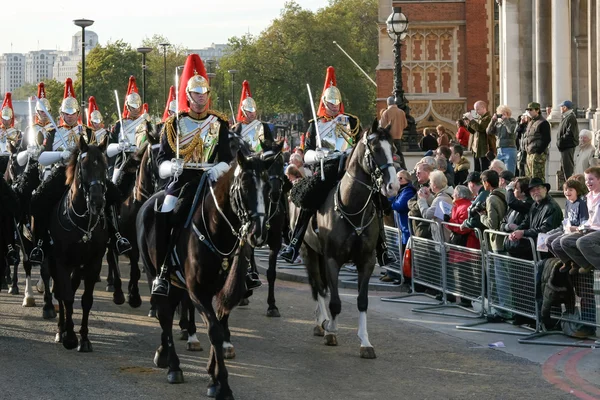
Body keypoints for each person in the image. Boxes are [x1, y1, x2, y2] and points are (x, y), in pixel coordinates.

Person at [281, 66, 400, 269]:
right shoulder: (315, 124)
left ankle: (382, 248)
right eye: (331, 103)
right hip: (326, 168)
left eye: (337, 103)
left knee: (377, 198)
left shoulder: (351, 121)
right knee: (311, 195)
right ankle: (295, 242)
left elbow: (360, 146)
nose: (335, 107)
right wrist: (318, 154)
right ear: (324, 103)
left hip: (350, 167)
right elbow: (306, 152)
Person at [152, 54, 234, 296]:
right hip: (183, 180)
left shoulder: (219, 123)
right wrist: (170, 167)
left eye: (204, 94)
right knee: (165, 211)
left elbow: (227, 156)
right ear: (187, 96)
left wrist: (220, 167)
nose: (200, 98)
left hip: (212, 180)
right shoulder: (173, 123)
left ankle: (245, 270)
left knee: (237, 214)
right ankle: (163, 270)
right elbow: (160, 161)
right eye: (196, 94)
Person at [29, 78, 129, 264]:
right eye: (66, 114)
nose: (70, 117)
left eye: (73, 113)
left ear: (77, 113)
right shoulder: (52, 132)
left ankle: (116, 235)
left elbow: (99, 153)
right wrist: (61, 156)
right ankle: (40, 243)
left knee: (114, 195)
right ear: (61, 114)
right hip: (62, 174)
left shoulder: (89, 132)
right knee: (39, 200)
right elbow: (41, 158)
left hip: (87, 174)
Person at [553, 167, 600, 274]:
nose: (588, 182)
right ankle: (586, 264)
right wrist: (580, 228)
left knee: (583, 242)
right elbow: (591, 220)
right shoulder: (588, 197)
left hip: (597, 231)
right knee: (564, 241)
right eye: (587, 180)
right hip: (591, 229)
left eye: (591, 179)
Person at [479, 170, 512, 318]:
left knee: (501, 279)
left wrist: (482, 216)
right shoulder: (505, 193)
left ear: (486, 183)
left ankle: (504, 311)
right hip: (506, 241)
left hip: (498, 243)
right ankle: (505, 309)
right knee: (506, 277)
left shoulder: (491, 198)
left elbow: (492, 223)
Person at [507, 178, 563, 260]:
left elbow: (546, 229)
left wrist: (523, 232)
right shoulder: (535, 205)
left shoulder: (551, 207)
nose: (536, 192)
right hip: (536, 249)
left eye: (538, 189)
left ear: (545, 189)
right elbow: (526, 222)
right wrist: (515, 233)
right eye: (532, 190)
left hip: (545, 251)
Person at [110, 76, 152, 184]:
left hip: (142, 159)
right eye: (133, 107)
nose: (136, 109)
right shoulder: (120, 125)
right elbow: (109, 150)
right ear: (127, 107)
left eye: (138, 106)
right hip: (124, 160)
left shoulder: (146, 122)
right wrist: (119, 146)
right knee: (114, 184)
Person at [546, 178, 588, 274]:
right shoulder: (567, 202)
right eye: (566, 190)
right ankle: (566, 261)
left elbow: (584, 222)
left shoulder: (581, 203)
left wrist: (576, 229)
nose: (567, 192)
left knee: (559, 242)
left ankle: (577, 262)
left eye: (570, 190)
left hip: (578, 231)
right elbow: (566, 220)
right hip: (568, 230)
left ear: (577, 191)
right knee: (549, 240)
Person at [382, 170, 417, 283]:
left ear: (407, 180)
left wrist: (389, 204)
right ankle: (396, 274)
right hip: (400, 229)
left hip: (406, 229)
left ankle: (404, 278)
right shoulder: (400, 191)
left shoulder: (408, 191)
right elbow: (390, 200)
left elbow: (399, 206)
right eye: (397, 178)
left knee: (404, 255)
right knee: (399, 253)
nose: (398, 180)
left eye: (400, 178)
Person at [232, 80, 274, 154]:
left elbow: (270, 145)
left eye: (253, 111)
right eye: (249, 111)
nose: (252, 114)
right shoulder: (238, 127)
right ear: (244, 111)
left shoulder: (264, 126)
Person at [416, 170, 453, 241]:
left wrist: (422, 199)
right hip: (446, 234)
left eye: (430, 182)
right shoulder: (447, 193)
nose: (429, 184)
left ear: (435, 185)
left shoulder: (440, 199)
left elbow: (427, 215)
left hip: (443, 238)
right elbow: (437, 207)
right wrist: (429, 197)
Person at [524, 102, 551, 180]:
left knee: (538, 177)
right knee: (529, 178)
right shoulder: (531, 122)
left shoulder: (543, 122)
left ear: (537, 110)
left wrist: (538, 151)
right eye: (528, 110)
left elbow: (546, 139)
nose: (529, 111)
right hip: (529, 153)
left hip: (537, 154)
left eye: (531, 109)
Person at [487, 105, 517, 174]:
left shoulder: (512, 121)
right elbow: (488, 132)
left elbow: (511, 131)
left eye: (504, 114)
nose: (501, 116)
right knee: (497, 171)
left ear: (508, 114)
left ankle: (509, 184)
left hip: (509, 149)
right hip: (499, 150)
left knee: (509, 172)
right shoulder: (498, 123)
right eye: (500, 114)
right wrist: (493, 121)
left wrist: (506, 120)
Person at [380, 96, 407, 169]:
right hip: (399, 136)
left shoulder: (386, 112)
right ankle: (403, 168)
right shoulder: (401, 112)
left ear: (387, 103)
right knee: (399, 153)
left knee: (389, 154)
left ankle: (390, 168)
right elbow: (405, 125)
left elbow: (382, 127)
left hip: (389, 137)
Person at [466, 101, 492, 172]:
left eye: (478, 109)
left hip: (483, 149)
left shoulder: (488, 118)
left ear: (483, 108)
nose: (476, 112)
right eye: (475, 110)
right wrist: (468, 123)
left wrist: (472, 120)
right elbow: (473, 131)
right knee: (476, 169)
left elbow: (480, 129)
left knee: (483, 169)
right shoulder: (478, 118)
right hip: (476, 148)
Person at [557, 100, 579, 180]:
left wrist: (560, 141)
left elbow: (569, 133)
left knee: (568, 169)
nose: (560, 108)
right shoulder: (566, 117)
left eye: (561, 107)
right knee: (564, 168)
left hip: (567, 146)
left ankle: (570, 185)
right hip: (564, 146)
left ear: (565, 108)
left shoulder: (571, 118)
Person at [0, 93, 21, 173]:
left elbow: (18, 147)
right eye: (4, 118)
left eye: (8, 118)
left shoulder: (16, 132)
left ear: (11, 119)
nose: (6, 121)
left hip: (10, 158)